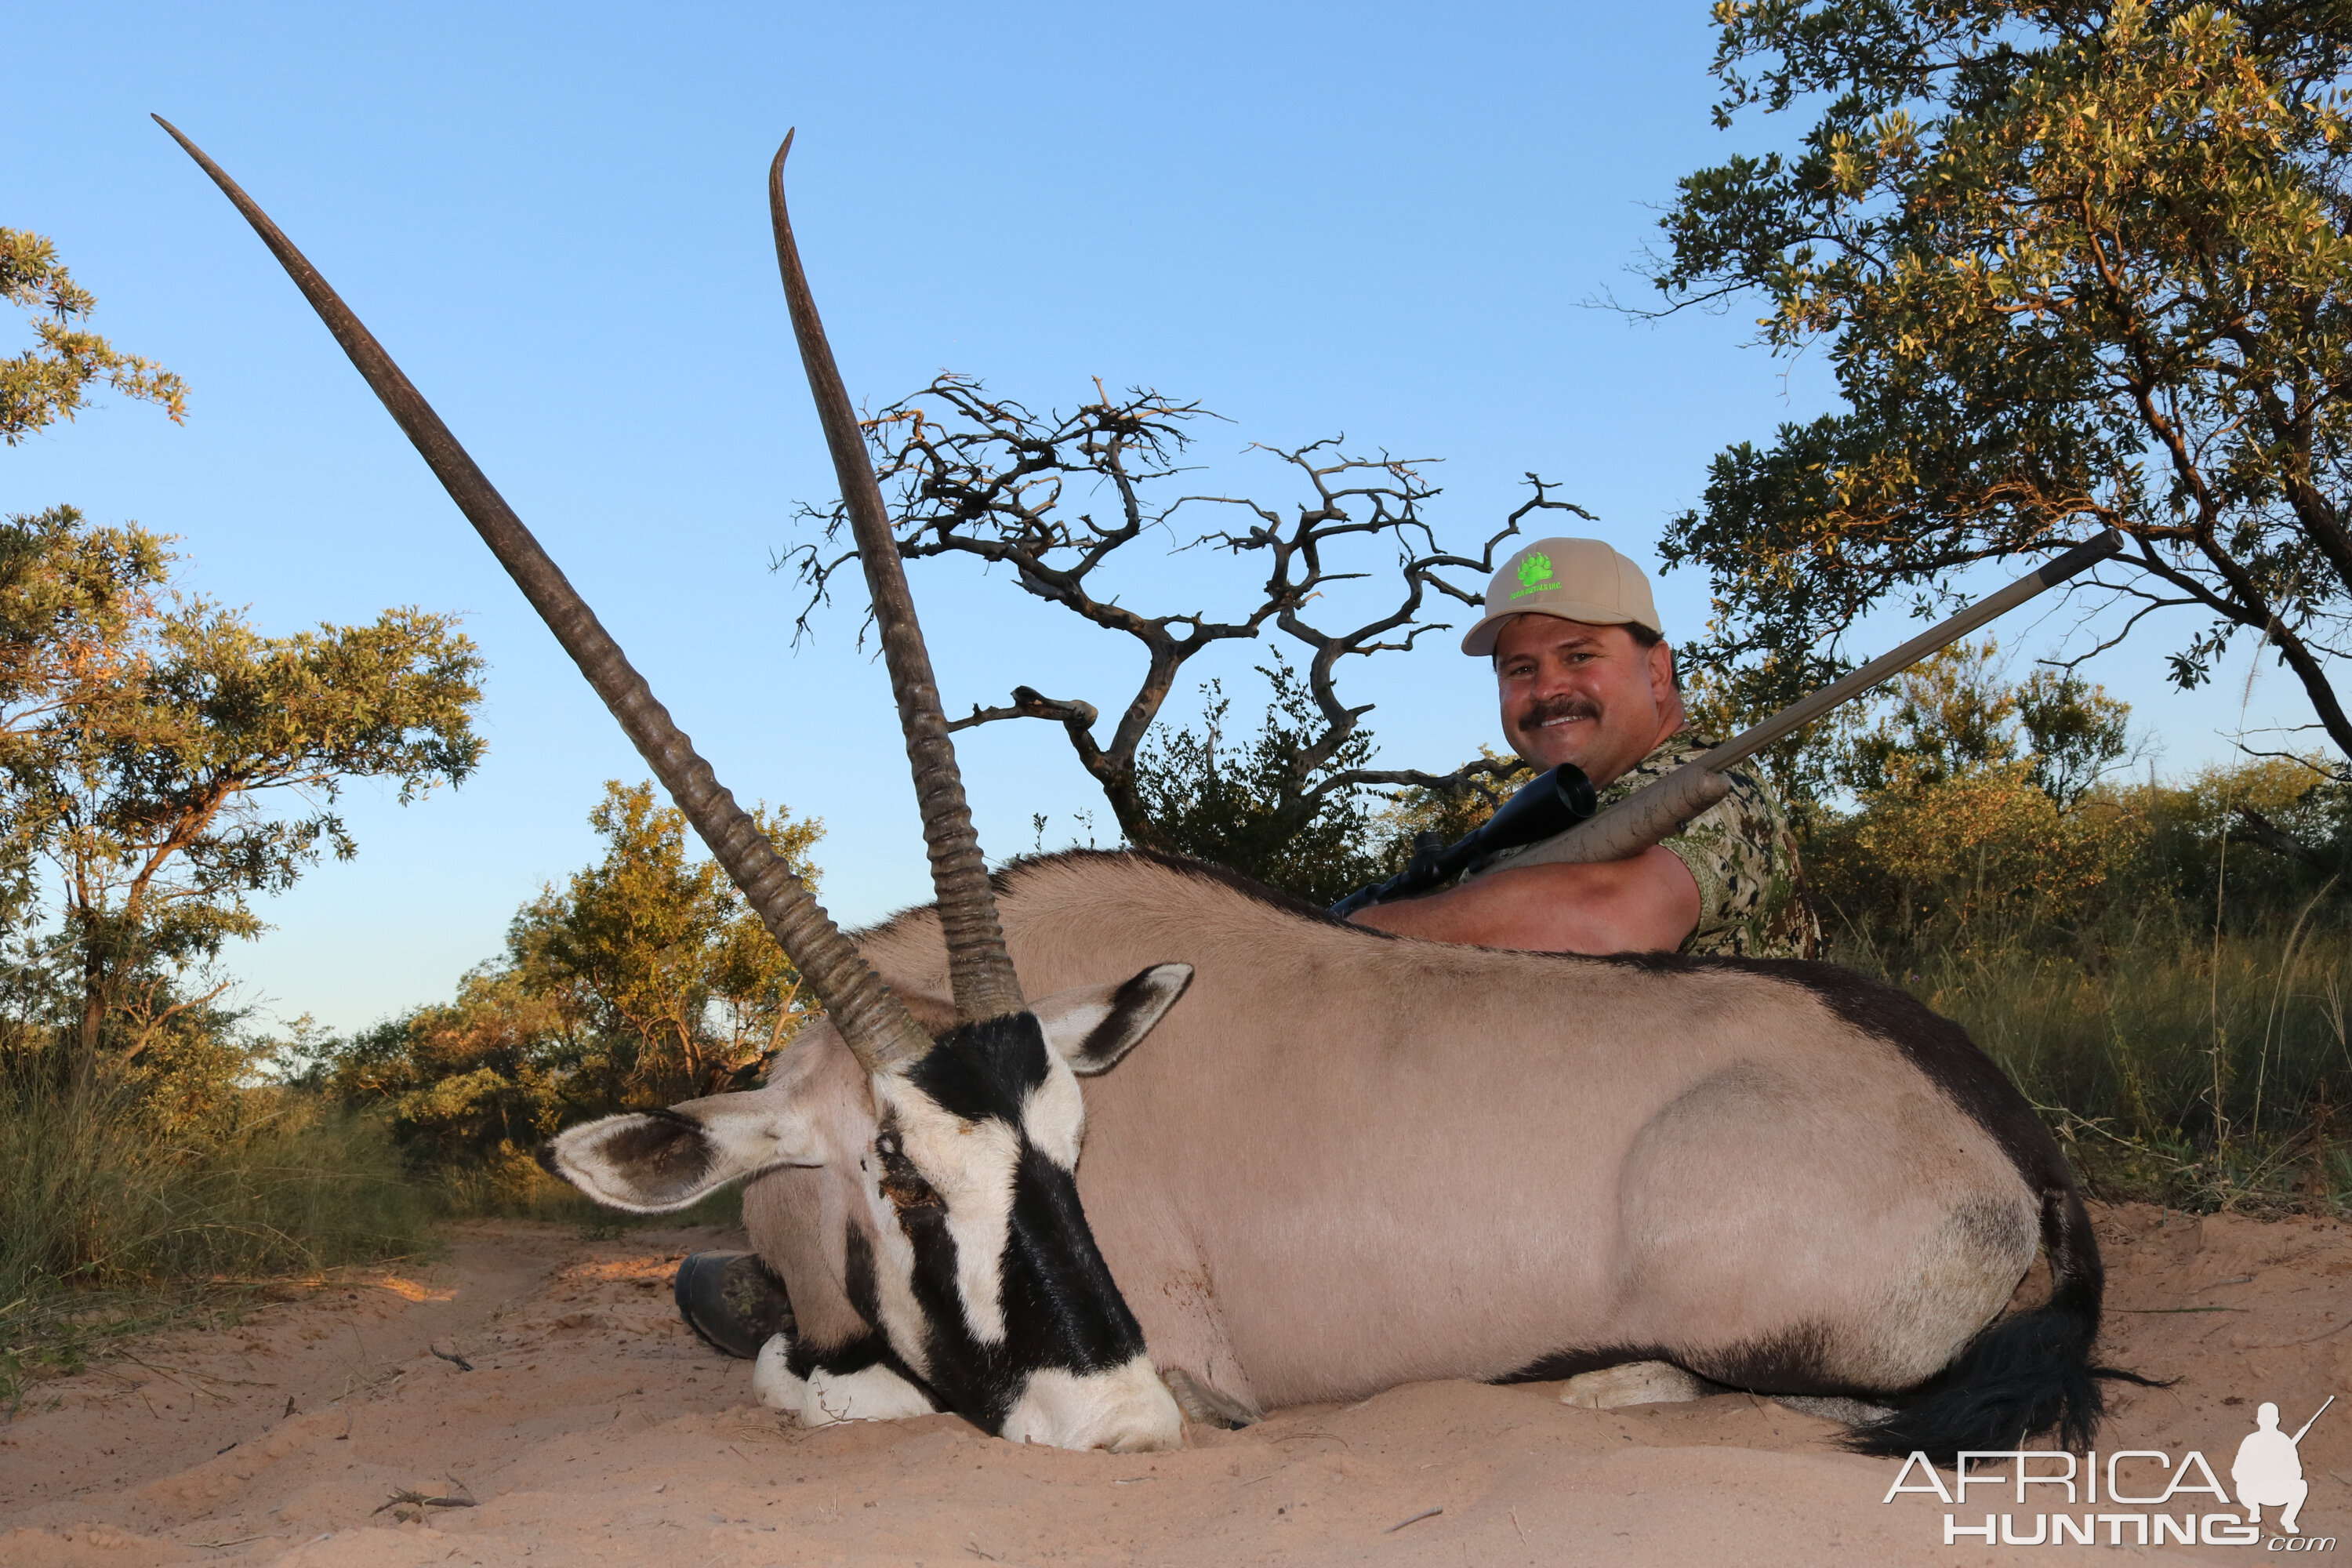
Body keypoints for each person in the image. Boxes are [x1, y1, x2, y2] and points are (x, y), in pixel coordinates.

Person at [1348, 535, 1817, 958]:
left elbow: (1604, 923)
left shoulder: (1711, 784)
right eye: (1521, 669)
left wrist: (1350, 938)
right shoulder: (1539, 821)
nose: (1547, 688)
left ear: (1656, 671)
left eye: (1580, 656)